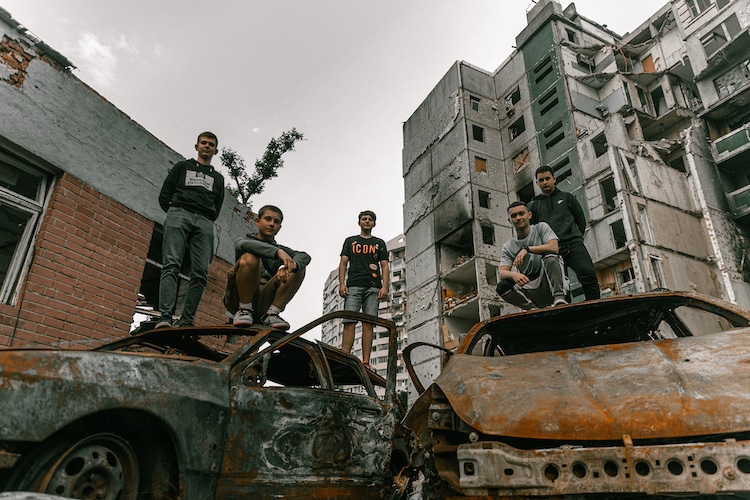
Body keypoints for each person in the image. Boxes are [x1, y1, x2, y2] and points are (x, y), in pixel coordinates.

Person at [156, 132, 225, 328]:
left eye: (211, 144)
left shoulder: (218, 178)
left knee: (201, 272)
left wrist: (204, 217)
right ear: (196, 147)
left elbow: (217, 206)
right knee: (171, 264)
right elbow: (165, 194)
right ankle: (165, 317)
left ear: (215, 150)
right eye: (203, 143)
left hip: (204, 220)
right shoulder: (182, 167)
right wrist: (174, 213)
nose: (207, 146)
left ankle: (187, 321)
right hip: (179, 213)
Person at [224, 205, 310, 329]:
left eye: (276, 222)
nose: (271, 224)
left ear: (279, 227)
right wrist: (277, 252)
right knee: (250, 257)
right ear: (257, 221)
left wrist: (291, 266)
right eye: (267, 219)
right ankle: (244, 309)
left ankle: (271, 314)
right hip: (237, 300)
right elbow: (242, 245)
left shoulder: (282, 249)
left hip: (264, 300)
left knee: (299, 267)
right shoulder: (244, 240)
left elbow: (304, 256)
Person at [529, 165, 601, 301]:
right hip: (553, 250)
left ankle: (595, 304)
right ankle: (568, 314)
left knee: (587, 273)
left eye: (547, 178)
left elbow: (580, 220)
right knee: (560, 285)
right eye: (541, 180)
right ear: (537, 183)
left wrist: (576, 237)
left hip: (574, 245)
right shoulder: (534, 206)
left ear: (554, 179)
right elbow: (534, 230)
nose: (545, 182)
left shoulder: (567, 197)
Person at [338, 210, 389, 369]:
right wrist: (341, 284)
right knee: (349, 320)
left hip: (373, 287)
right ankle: (346, 355)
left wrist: (385, 286)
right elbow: (343, 263)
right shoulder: (350, 241)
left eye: (370, 219)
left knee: (369, 323)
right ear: (359, 222)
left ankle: (366, 362)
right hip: (353, 285)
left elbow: (385, 265)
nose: (367, 221)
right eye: (364, 219)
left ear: (374, 223)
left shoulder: (379, 243)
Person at [497, 201, 568, 309]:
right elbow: (502, 272)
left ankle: (559, 298)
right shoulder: (508, 246)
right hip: (529, 283)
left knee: (550, 256)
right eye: (514, 216)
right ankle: (531, 308)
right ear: (509, 220)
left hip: (548, 280)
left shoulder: (541, 228)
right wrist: (514, 275)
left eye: (521, 214)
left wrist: (527, 249)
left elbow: (554, 247)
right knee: (502, 286)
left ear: (529, 215)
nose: (518, 218)